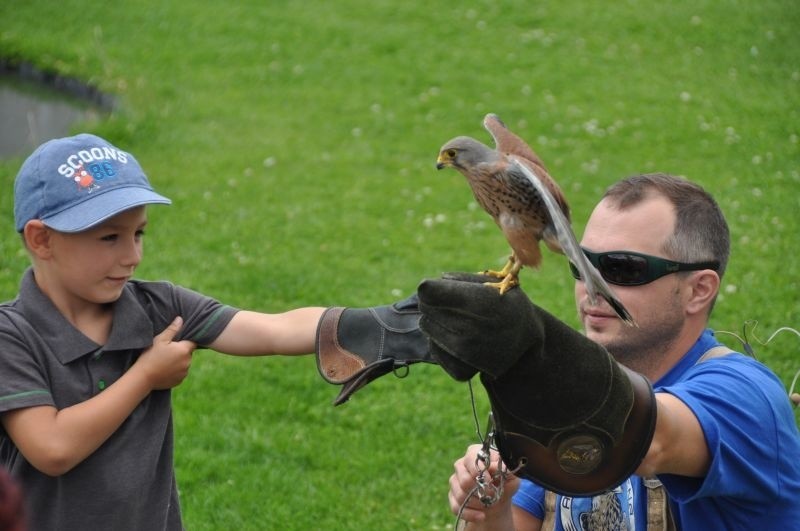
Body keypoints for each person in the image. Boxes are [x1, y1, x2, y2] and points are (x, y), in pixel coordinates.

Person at [0, 133, 400, 531]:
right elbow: (52, 448)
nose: (132, 256)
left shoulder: (157, 307)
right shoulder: (11, 334)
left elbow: (272, 329)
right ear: (42, 239)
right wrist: (144, 376)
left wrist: (386, 324)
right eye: (110, 238)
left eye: (138, 233)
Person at [413, 173, 800, 529]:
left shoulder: (745, 396)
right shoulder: (569, 395)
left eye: (622, 268)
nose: (591, 289)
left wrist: (531, 353)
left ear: (699, 290)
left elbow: (643, 440)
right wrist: (490, 510)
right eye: (583, 265)